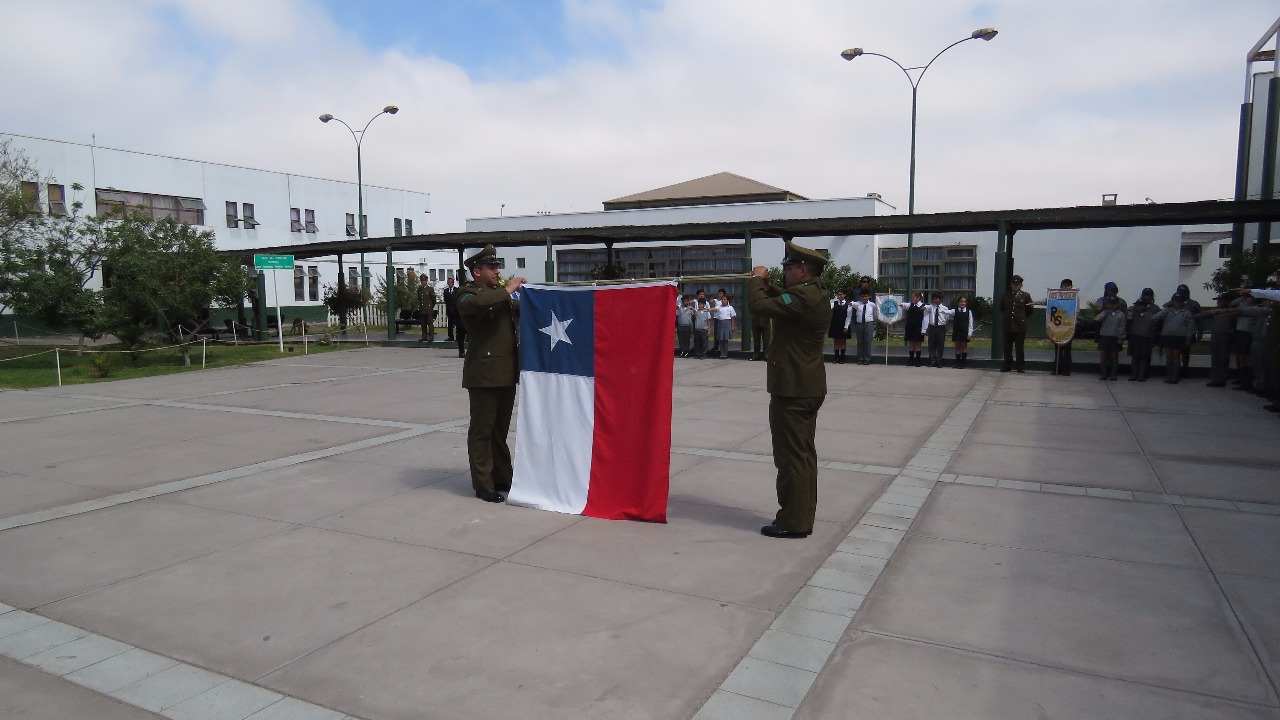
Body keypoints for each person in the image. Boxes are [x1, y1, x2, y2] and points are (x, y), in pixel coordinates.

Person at [747, 241, 831, 539]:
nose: (785, 272)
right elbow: (782, 300)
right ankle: (799, 516)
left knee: (791, 457)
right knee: (802, 456)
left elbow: (757, 306)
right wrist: (769, 287)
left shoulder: (804, 297)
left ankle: (794, 521)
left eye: (788, 267)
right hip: (804, 386)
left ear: (802, 270)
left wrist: (757, 280)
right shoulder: (813, 293)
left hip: (794, 389)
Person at [457, 245, 525, 503]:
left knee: (500, 430)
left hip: (506, 372)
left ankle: (502, 477)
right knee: (482, 430)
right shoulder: (467, 294)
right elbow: (478, 304)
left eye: (498, 267)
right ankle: (483, 483)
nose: (498, 271)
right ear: (477, 271)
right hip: (483, 374)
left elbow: (518, 308)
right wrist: (509, 290)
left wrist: (531, 293)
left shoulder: (499, 294)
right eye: (492, 267)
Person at [1234, 285, 1280, 412]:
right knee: (1270, 369)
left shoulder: (1274, 309)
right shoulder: (1271, 309)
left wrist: (1251, 291)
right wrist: (1251, 292)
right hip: (1269, 343)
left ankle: (1272, 394)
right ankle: (1273, 397)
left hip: (1272, 344)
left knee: (1272, 370)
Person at [1151, 292, 1195, 384]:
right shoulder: (1167, 311)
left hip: (1179, 337)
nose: (1178, 303)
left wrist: (1188, 339)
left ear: (1183, 302)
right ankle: (1168, 375)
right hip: (1168, 336)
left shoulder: (1187, 313)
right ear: (1172, 302)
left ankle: (1175, 376)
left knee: (1176, 356)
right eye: (1175, 301)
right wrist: (1166, 306)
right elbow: (1155, 317)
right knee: (1169, 356)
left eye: (1180, 301)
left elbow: (1190, 327)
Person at [1196, 294, 1236, 387]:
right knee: (1215, 357)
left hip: (1226, 335)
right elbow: (1203, 315)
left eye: (1220, 300)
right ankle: (1214, 377)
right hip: (1215, 335)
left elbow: (1235, 324)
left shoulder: (1231, 311)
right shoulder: (1215, 310)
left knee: (1223, 358)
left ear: (1226, 301)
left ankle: (1222, 378)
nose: (1218, 302)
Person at [999, 275, 1035, 373]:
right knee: (1007, 347)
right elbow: (1002, 308)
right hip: (1008, 324)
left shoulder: (1025, 296)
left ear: (1021, 285)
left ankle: (1020, 366)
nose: (1015, 286)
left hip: (1019, 325)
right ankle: (1007, 365)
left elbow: (1029, 310)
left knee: (1019, 347)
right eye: (1014, 284)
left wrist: (1021, 318)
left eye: (1017, 284)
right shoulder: (1006, 295)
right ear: (1011, 285)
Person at [1127, 290, 1158, 382]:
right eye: (1137, 305)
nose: (1138, 307)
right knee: (1135, 357)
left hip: (1146, 338)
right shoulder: (1133, 314)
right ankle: (1133, 375)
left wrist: (1153, 339)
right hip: (1135, 337)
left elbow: (1153, 328)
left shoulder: (1150, 315)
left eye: (1140, 305)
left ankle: (1141, 375)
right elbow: (1128, 319)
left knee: (1143, 358)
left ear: (1145, 306)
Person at [1095, 296, 1126, 381]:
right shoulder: (1105, 312)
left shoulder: (1121, 314)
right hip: (1105, 336)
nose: (1112, 306)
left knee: (1114, 356)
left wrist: (1121, 338)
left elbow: (1122, 327)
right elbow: (1099, 317)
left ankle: (1113, 374)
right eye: (1110, 304)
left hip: (1115, 337)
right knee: (1103, 355)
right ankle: (1103, 373)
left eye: (1114, 304)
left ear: (1117, 304)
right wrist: (1099, 317)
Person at [1051, 279, 1074, 376]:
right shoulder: (1056, 296)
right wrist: (1035, 302)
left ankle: (1066, 370)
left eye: (1068, 286)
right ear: (1061, 287)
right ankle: (1057, 368)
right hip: (1057, 326)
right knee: (1058, 348)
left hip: (1068, 326)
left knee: (1067, 348)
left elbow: (1075, 311)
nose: (1066, 288)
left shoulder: (1074, 297)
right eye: (1064, 286)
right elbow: (1048, 301)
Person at [924, 292, 952, 368]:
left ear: (941, 299)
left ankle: (939, 360)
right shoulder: (931, 307)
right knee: (931, 344)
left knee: (940, 344)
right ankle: (932, 360)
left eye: (937, 299)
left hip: (941, 327)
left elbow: (946, 319)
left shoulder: (945, 308)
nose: (935, 300)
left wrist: (942, 324)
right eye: (934, 299)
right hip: (932, 327)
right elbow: (923, 307)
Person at [443, 276, 466, 357]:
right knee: (450, 323)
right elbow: (446, 300)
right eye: (448, 282)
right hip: (450, 309)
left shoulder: (457, 290)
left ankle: (457, 338)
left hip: (457, 311)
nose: (450, 284)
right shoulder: (445, 291)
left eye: (451, 282)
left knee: (458, 326)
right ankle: (450, 336)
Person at [853, 289, 877, 365]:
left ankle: (867, 358)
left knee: (867, 342)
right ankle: (860, 358)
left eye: (866, 296)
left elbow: (875, 314)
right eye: (862, 296)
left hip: (868, 324)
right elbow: (851, 303)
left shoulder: (872, 305)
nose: (864, 298)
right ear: (860, 297)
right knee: (860, 342)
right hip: (859, 324)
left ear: (869, 296)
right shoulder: (857, 304)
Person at [828, 290, 851, 364]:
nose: (839, 296)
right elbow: (827, 307)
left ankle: (842, 357)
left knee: (843, 341)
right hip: (835, 325)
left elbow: (849, 317)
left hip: (843, 325)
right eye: (838, 295)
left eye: (841, 294)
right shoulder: (834, 303)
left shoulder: (848, 305)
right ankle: (836, 357)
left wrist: (846, 326)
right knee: (836, 341)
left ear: (844, 295)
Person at [951, 296, 975, 368]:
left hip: (965, 332)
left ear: (966, 303)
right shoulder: (954, 310)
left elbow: (971, 323)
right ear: (958, 303)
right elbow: (946, 312)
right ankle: (958, 363)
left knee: (964, 347)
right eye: (961, 302)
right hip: (956, 331)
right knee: (957, 347)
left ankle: (963, 363)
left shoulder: (968, 312)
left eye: (964, 302)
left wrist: (970, 333)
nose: (963, 303)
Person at [903, 291, 925, 367]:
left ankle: (918, 361)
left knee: (918, 344)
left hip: (919, 327)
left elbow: (925, 319)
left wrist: (924, 330)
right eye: (912, 297)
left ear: (918, 298)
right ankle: (911, 360)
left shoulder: (923, 306)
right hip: (910, 327)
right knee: (911, 344)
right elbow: (903, 304)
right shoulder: (909, 305)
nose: (912, 298)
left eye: (914, 297)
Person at [417, 274, 437, 343]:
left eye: (424, 280)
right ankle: (424, 336)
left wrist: (430, 306)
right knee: (423, 324)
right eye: (422, 280)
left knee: (430, 323)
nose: (423, 282)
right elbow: (419, 299)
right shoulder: (420, 289)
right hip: (422, 309)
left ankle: (431, 336)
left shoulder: (430, 289)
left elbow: (434, 299)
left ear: (426, 281)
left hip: (428, 309)